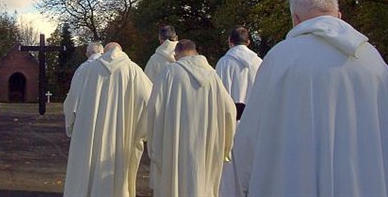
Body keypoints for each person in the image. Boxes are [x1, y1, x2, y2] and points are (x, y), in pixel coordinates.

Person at [233, 0, 388, 197]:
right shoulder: (373, 60)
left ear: (296, 19)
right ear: (339, 15)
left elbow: (250, 137)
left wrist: (244, 184)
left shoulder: (280, 58)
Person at [147, 39, 237, 197]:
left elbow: (154, 110)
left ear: (176, 54)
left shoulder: (168, 74)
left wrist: (154, 149)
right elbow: (229, 111)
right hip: (205, 145)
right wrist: (225, 148)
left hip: (174, 146)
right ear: (195, 52)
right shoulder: (212, 76)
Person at [63, 42, 153, 197]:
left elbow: (71, 102)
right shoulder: (134, 71)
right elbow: (150, 102)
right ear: (121, 51)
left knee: (86, 175)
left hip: (88, 136)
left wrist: (72, 125)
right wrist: (140, 131)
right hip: (120, 138)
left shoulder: (87, 70)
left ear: (104, 51)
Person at [216, 26, 262, 197]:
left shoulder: (224, 63)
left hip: (231, 123)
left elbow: (219, 97)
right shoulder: (260, 63)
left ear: (230, 41)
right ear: (248, 42)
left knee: (230, 176)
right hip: (255, 123)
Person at [63, 41, 104, 136]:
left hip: (85, 118)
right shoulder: (111, 68)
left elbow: (72, 98)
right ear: (102, 52)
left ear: (87, 54)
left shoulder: (82, 69)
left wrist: (70, 123)